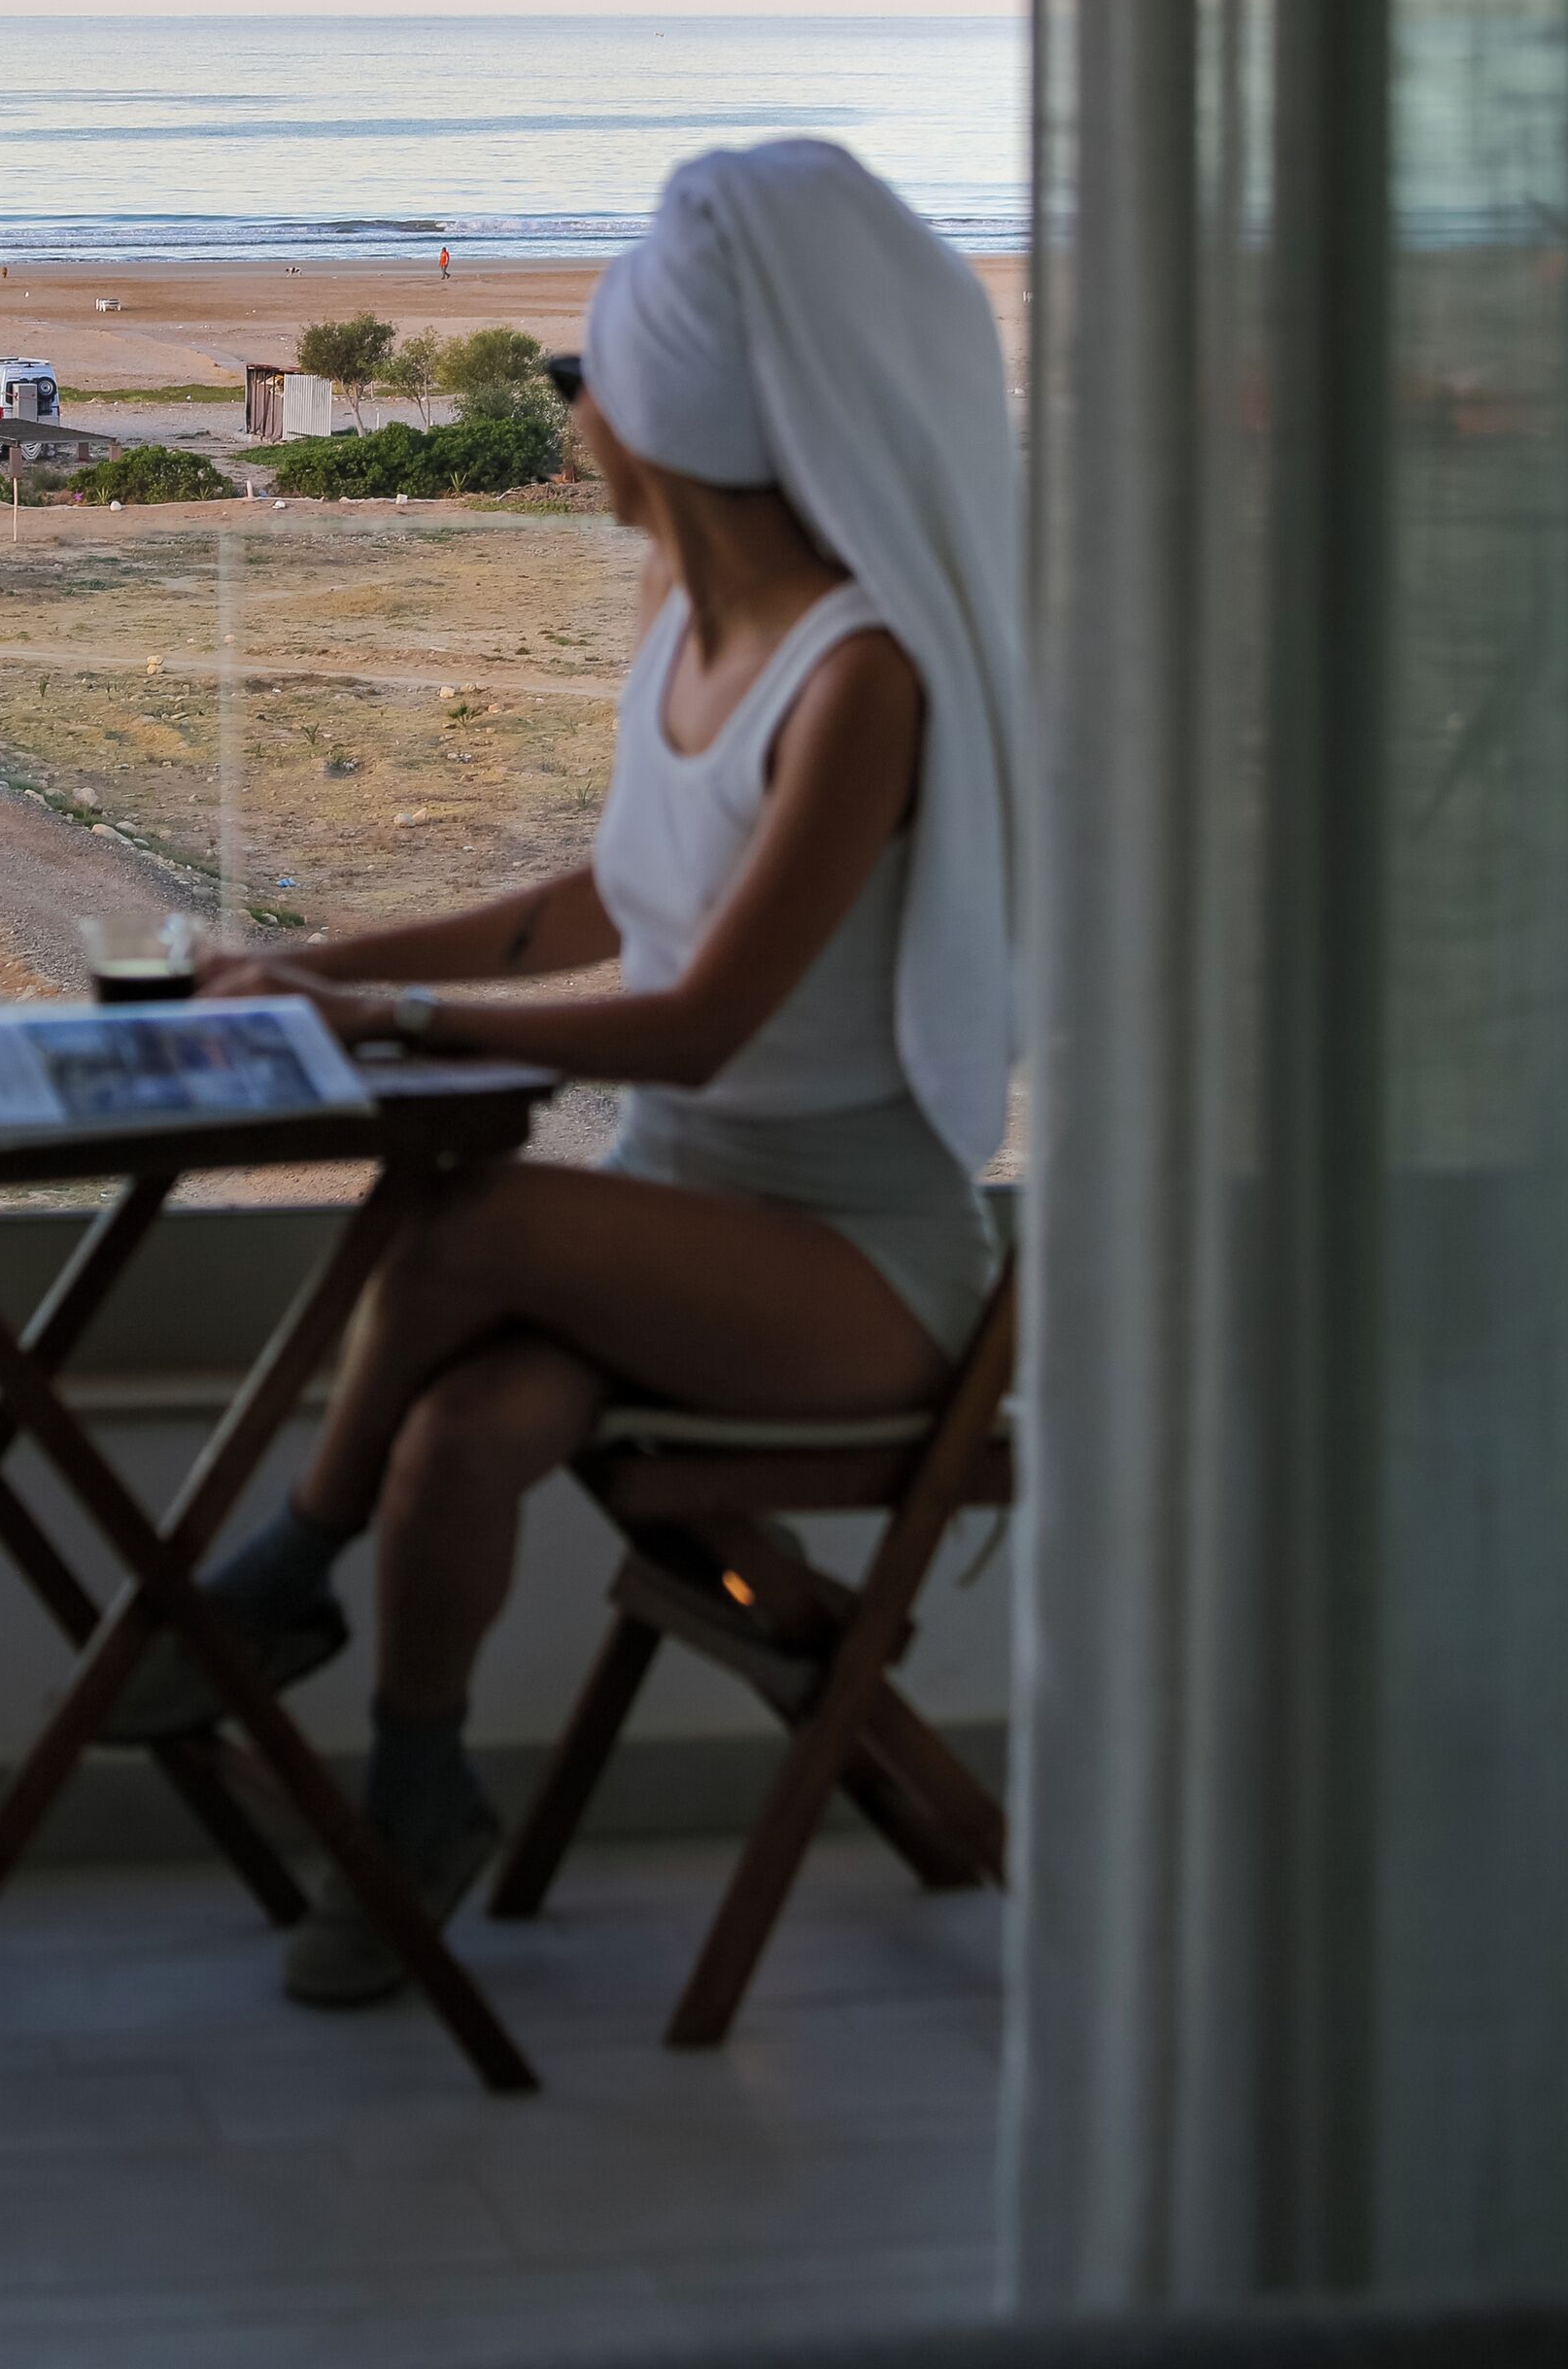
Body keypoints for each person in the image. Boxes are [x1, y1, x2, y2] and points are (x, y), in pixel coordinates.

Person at [110, 139, 1023, 2008]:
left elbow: (695, 1023)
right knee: (458, 1438)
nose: (573, 415)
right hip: (681, 1230)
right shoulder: (682, 624)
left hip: (858, 1269)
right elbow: (607, 899)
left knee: (466, 1223)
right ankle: (417, 1800)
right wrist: (316, 967)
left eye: (580, 379)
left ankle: (261, 1586)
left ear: (672, 411)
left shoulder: (862, 678)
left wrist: (400, 1030)